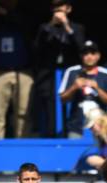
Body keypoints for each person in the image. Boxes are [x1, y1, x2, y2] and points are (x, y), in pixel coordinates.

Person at [32, 0, 85, 137]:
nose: (58, 11)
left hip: (70, 72)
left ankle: (71, 133)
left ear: (68, 9)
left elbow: (81, 49)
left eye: (61, 7)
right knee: (51, 105)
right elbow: (37, 48)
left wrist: (67, 26)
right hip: (49, 74)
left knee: (71, 102)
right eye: (55, 8)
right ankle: (52, 136)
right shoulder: (45, 28)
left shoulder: (77, 28)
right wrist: (50, 26)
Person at [0, 0, 36, 139]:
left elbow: (28, 27)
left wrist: (8, 13)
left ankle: (22, 144)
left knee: (23, 113)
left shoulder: (25, 13)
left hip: (23, 72)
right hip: (0, 72)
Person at [59, 41, 107, 137]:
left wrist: (97, 88)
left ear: (98, 56)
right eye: (85, 53)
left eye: (93, 53)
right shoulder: (71, 72)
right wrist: (74, 87)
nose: (89, 56)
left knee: (101, 151)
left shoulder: (106, 74)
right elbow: (62, 99)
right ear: (81, 56)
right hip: (76, 126)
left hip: (101, 126)